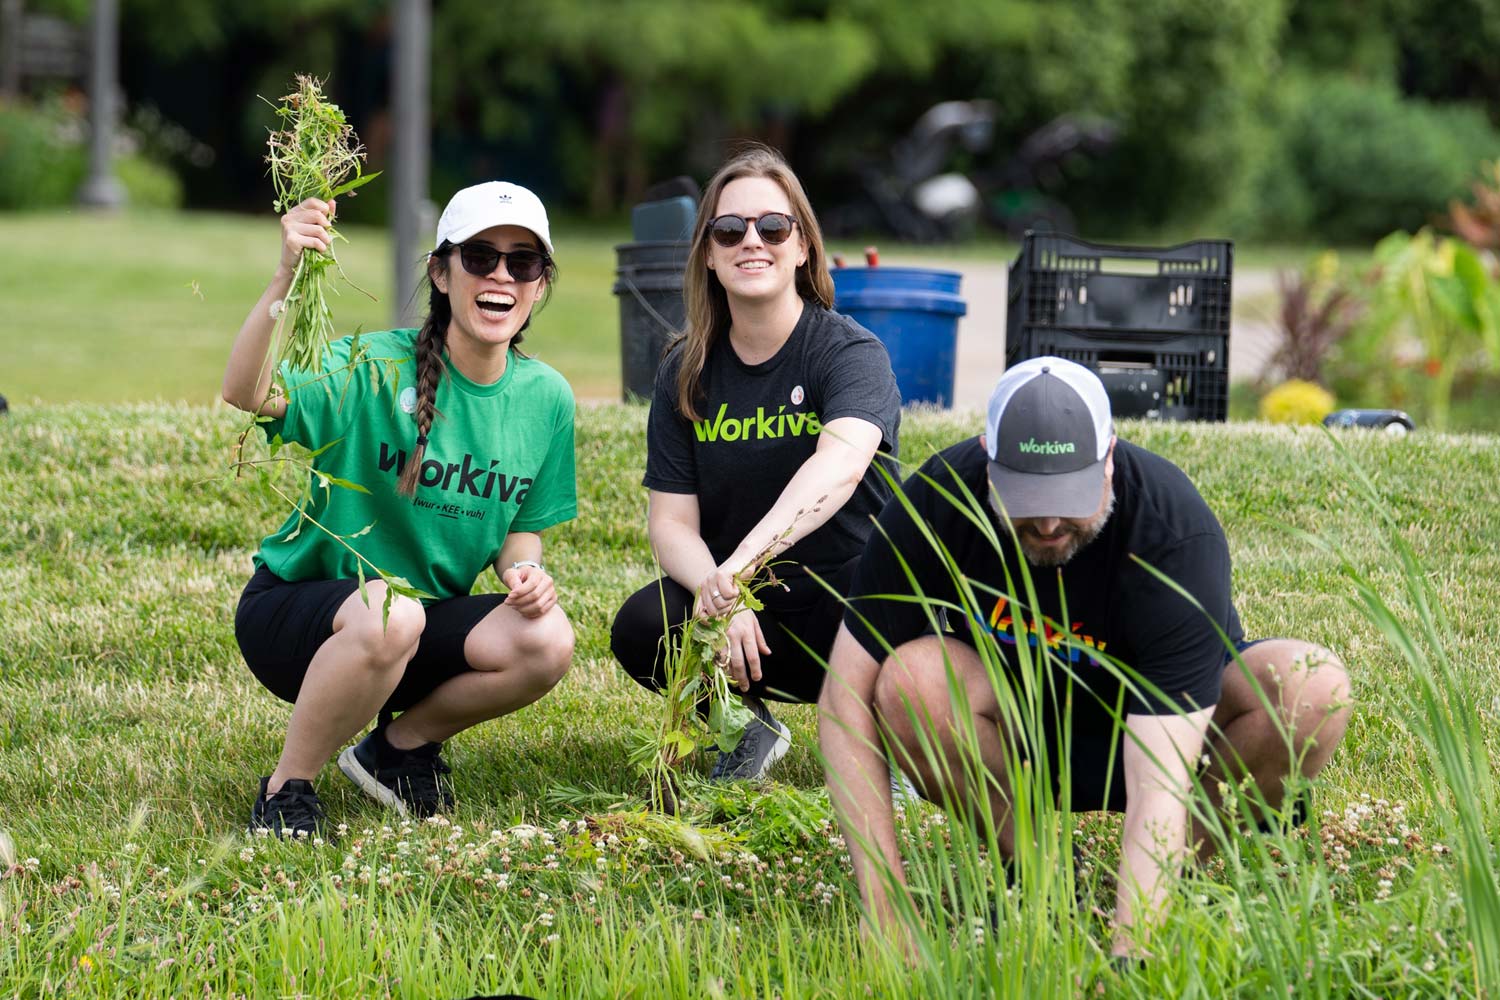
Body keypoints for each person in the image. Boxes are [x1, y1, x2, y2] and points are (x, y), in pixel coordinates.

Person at [820, 356, 1351, 958]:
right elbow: (843, 696)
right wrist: (884, 905)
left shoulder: (1172, 530)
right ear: (987, 461)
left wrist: (1132, 956)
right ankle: (1044, 878)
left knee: (1313, 686)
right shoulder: (941, 498)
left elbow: (1161, 777)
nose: (1048, 521)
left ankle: (1180, 871)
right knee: (907, 682)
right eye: (1026, 495)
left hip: (1161, 730)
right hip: (1019, 730)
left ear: (1109, 459)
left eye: (1069, 494)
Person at [223, 181, 577, 837]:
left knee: (547, 640)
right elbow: (248, 391)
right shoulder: (372, 366)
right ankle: (284, 790)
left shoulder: (546, 398)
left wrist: (521, 574)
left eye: (521, 262)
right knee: (393, 613)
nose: (501, 274)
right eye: (480, 257)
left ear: (537, 285)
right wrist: (285, 275)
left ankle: (397, 750)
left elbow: (522, 527)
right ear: (442, 272)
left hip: (418, 623)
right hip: (302, 616)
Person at [610, 146, 901, 780]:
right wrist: (722, 595)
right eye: (729, 229)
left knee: (903, 602)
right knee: (642, 625)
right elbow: (670, 524)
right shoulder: (683, 370)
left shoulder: (850, 353)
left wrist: (734, 575)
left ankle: (890, 733)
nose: (752, 241)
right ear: (709, 254)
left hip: (850, 602)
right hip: (749, 616)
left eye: (773, 227)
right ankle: (746, 728)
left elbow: (840, 468)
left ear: (803, 246)